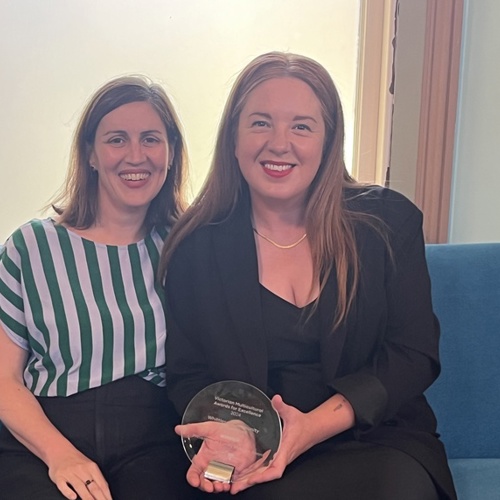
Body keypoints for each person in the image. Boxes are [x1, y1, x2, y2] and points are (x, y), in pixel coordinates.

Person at [160, 52, 457, 499]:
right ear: (233, 139)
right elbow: (188, 374)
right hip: (259, 452)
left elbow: (413, 354)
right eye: (260, 123)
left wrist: (311, 428)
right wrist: (234, 434)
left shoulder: (389, 222)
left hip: (379, 442)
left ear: (328, 139)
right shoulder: (194, 250)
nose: (279, 143)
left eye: (301, 126)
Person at [0, 76, 196, 499]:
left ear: (171, 151)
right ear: (90, 153)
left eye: (150, 139)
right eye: (116, 140)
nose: (136, 155)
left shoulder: (185, 247)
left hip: (153, 439)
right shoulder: (29, 246)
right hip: (42, 437)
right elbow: (4, 381)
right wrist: (60, 456)